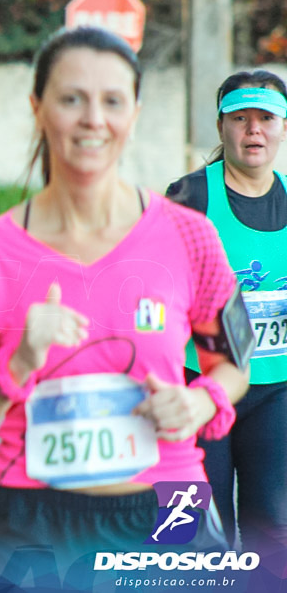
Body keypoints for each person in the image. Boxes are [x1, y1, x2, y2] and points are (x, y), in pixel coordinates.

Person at [0, 27, 249, 571]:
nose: (93, 119)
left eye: (112, 101)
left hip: (173, 506)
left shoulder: (190, 236)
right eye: (72, 98)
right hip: (30, 519)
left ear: (135, 114)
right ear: (38, 108)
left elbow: (233, 367)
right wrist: (17, 363)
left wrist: (199, 403)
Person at [166, 71, 287, 563]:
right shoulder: (191, 196)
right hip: (197, 384)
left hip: (276, 390)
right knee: (190, 528)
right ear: (222, 127)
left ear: (282, 128)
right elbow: (150, 292)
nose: (253, 130)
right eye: (241, 119)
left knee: (273, 527)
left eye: (265, 119)